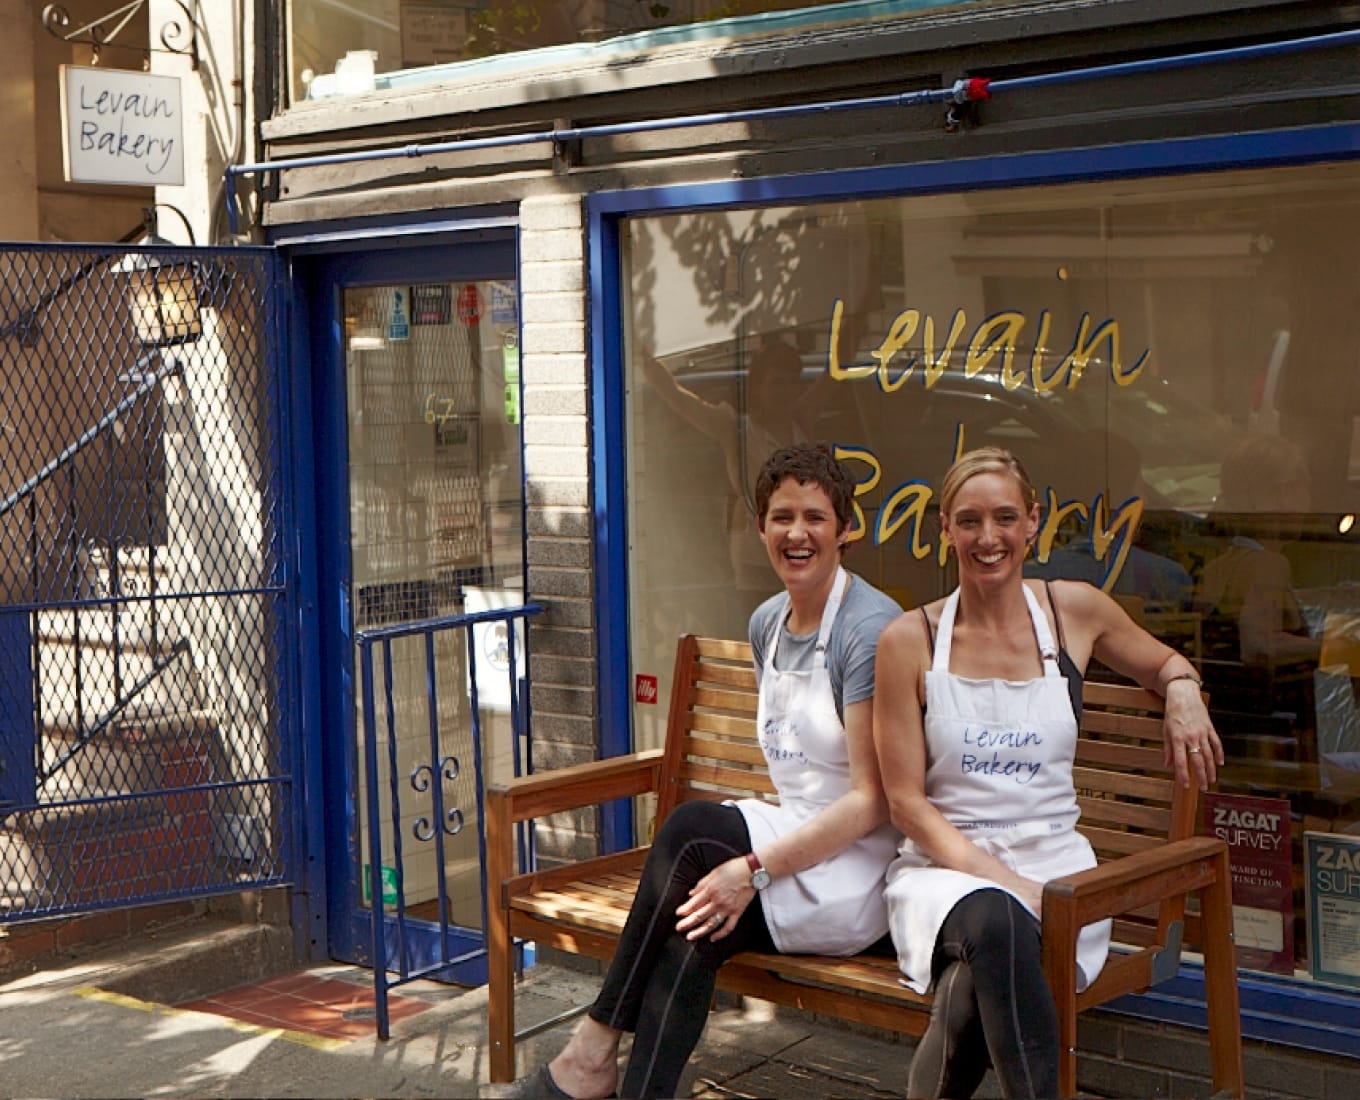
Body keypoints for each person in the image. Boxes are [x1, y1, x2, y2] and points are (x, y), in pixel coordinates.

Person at [484, 442, 902, 1100]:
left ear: (846, 529)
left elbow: (872, 803)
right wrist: (741, 869)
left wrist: (751, 868)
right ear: (759, 527)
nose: (798, 533)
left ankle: (592, 1050)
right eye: (781, 516)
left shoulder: (869, 630)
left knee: (691, 842)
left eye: (816, 517)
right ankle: (604, 1071)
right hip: (798, 831)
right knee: (696, 922)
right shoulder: (769, 622)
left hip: (856, 868)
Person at [873, 446, 1222, 1100]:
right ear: (945, 529)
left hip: (1061, 870)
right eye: (969, 521)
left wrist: (1180, 691)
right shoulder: (907, 640)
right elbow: (906, 805)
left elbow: (1164, 662)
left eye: (1005, 517)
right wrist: (1013, 887)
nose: (988, 537)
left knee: (969, 986)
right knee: (996, 922)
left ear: (1033, 523)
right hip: (944, 876)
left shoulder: (1074, 613)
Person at [641, 337, 820, 591]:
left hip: (804, 555)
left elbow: (836, 373)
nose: (787, 391)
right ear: (758, 386)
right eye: (778, 383)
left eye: (793, 382)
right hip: (757, 559)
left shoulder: (800, 420)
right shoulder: (737, 429)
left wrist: (862, 308)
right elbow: (680, 400)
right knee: (761, 627)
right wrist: (644, 358)